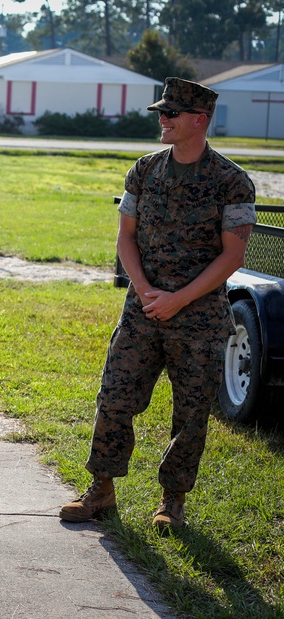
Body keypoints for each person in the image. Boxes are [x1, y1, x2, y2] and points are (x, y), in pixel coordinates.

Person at [59, 78, 255, 533]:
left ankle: (173, 500)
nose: (162, 119)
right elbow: (125, 237)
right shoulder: (144, 170)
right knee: (115, 396)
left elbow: (233, 254)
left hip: (200, 317)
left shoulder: (231, 180)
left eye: (172, 113)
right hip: (143, 310)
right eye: (161, 112)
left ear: (199, 120)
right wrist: (146, 291)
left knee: (190, 413)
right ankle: (101, 490)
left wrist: (179, 299)